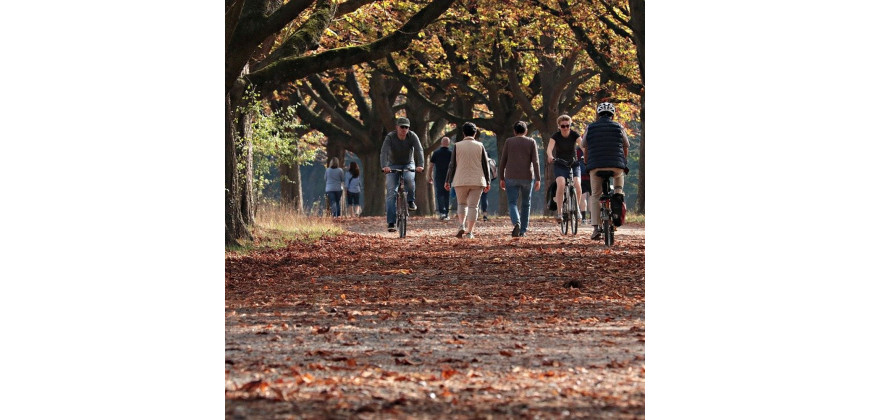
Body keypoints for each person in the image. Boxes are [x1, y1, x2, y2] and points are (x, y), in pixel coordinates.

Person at [581, 102, 630, 240]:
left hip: (596, 166)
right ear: (612, 115)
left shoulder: (590, 128)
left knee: (595, 195)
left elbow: (584, 146)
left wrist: (586, 163)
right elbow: (626, 146)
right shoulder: (619, 127)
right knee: (618, 189)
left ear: (598, 114)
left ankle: (596, 228)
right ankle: (617, 207)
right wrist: (623, 161)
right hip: (616, 166)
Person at [445, 122, 491, 239]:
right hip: (477, 180)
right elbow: (485, 165)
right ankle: (470, 232)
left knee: (461, 203)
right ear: (475, 133)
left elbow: (452, 165)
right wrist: (488, 181)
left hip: (460, 179)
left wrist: (447, 180)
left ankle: (461, 225)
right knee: (473, 206)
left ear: (463, 133)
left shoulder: (457, 145)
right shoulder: (480, 146)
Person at [381, 117, 424, 232]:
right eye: (402, 127)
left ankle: (410, 200)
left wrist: (420, 165)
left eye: (406, 127)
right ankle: (391, 222)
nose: (404, 129)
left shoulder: (412, 136)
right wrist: (384, 166)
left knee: (409, 179)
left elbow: (419, 150)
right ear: (397, 127)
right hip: (392, 165)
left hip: (408, 164)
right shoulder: (390, 137)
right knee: (391, 193)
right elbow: (384, 152)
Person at [498, 121, 541, 237]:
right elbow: (535, 162)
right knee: (526, 203)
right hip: (527, 177)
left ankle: (516, 221)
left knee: (512, 202)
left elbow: (503, 161)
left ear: (514, 131)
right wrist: (538, 178)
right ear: (526, 131)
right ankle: (523, 230)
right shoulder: (531, 142)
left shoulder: (508, 142)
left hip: (511, 176)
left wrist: (501, 177)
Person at [546, 114, 583, 221]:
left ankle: (577, 209)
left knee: (577, 184)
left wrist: (586, 154)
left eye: (568, 125)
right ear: (559, 127)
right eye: (563, 126)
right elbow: (549, 148)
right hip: (560, 163)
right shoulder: (555, 136)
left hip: (573, 163)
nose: (566, 128)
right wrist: (550, 156)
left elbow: (582, 145)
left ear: (570, 125)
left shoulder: (574, 134)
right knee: (561, 183)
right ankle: (559, 212)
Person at [427, 137, 452, 220]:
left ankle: (442, 212)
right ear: (448, 144)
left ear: (441, 143)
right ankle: (447, 213)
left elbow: (431, 166)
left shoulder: (436, 153)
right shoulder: (451, 153)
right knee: (446, 194)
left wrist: (429, 175)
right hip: (448, 177)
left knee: (439, 194)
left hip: (438, 176)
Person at [479, 156, 497, 221]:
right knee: (484, 197)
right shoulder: (491, 160)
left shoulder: (478, 159)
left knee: (475, 197)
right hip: (487, 181)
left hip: (477, 180)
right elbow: (495, 174)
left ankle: (473, 214)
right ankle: (485, 214)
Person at [576, 147, 591, 224]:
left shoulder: (578, 149)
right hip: (591, 173)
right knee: (592, 196)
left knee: (583, 197)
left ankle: (584, 218)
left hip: (581, 175)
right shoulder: (592, 145)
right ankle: (592, 218)